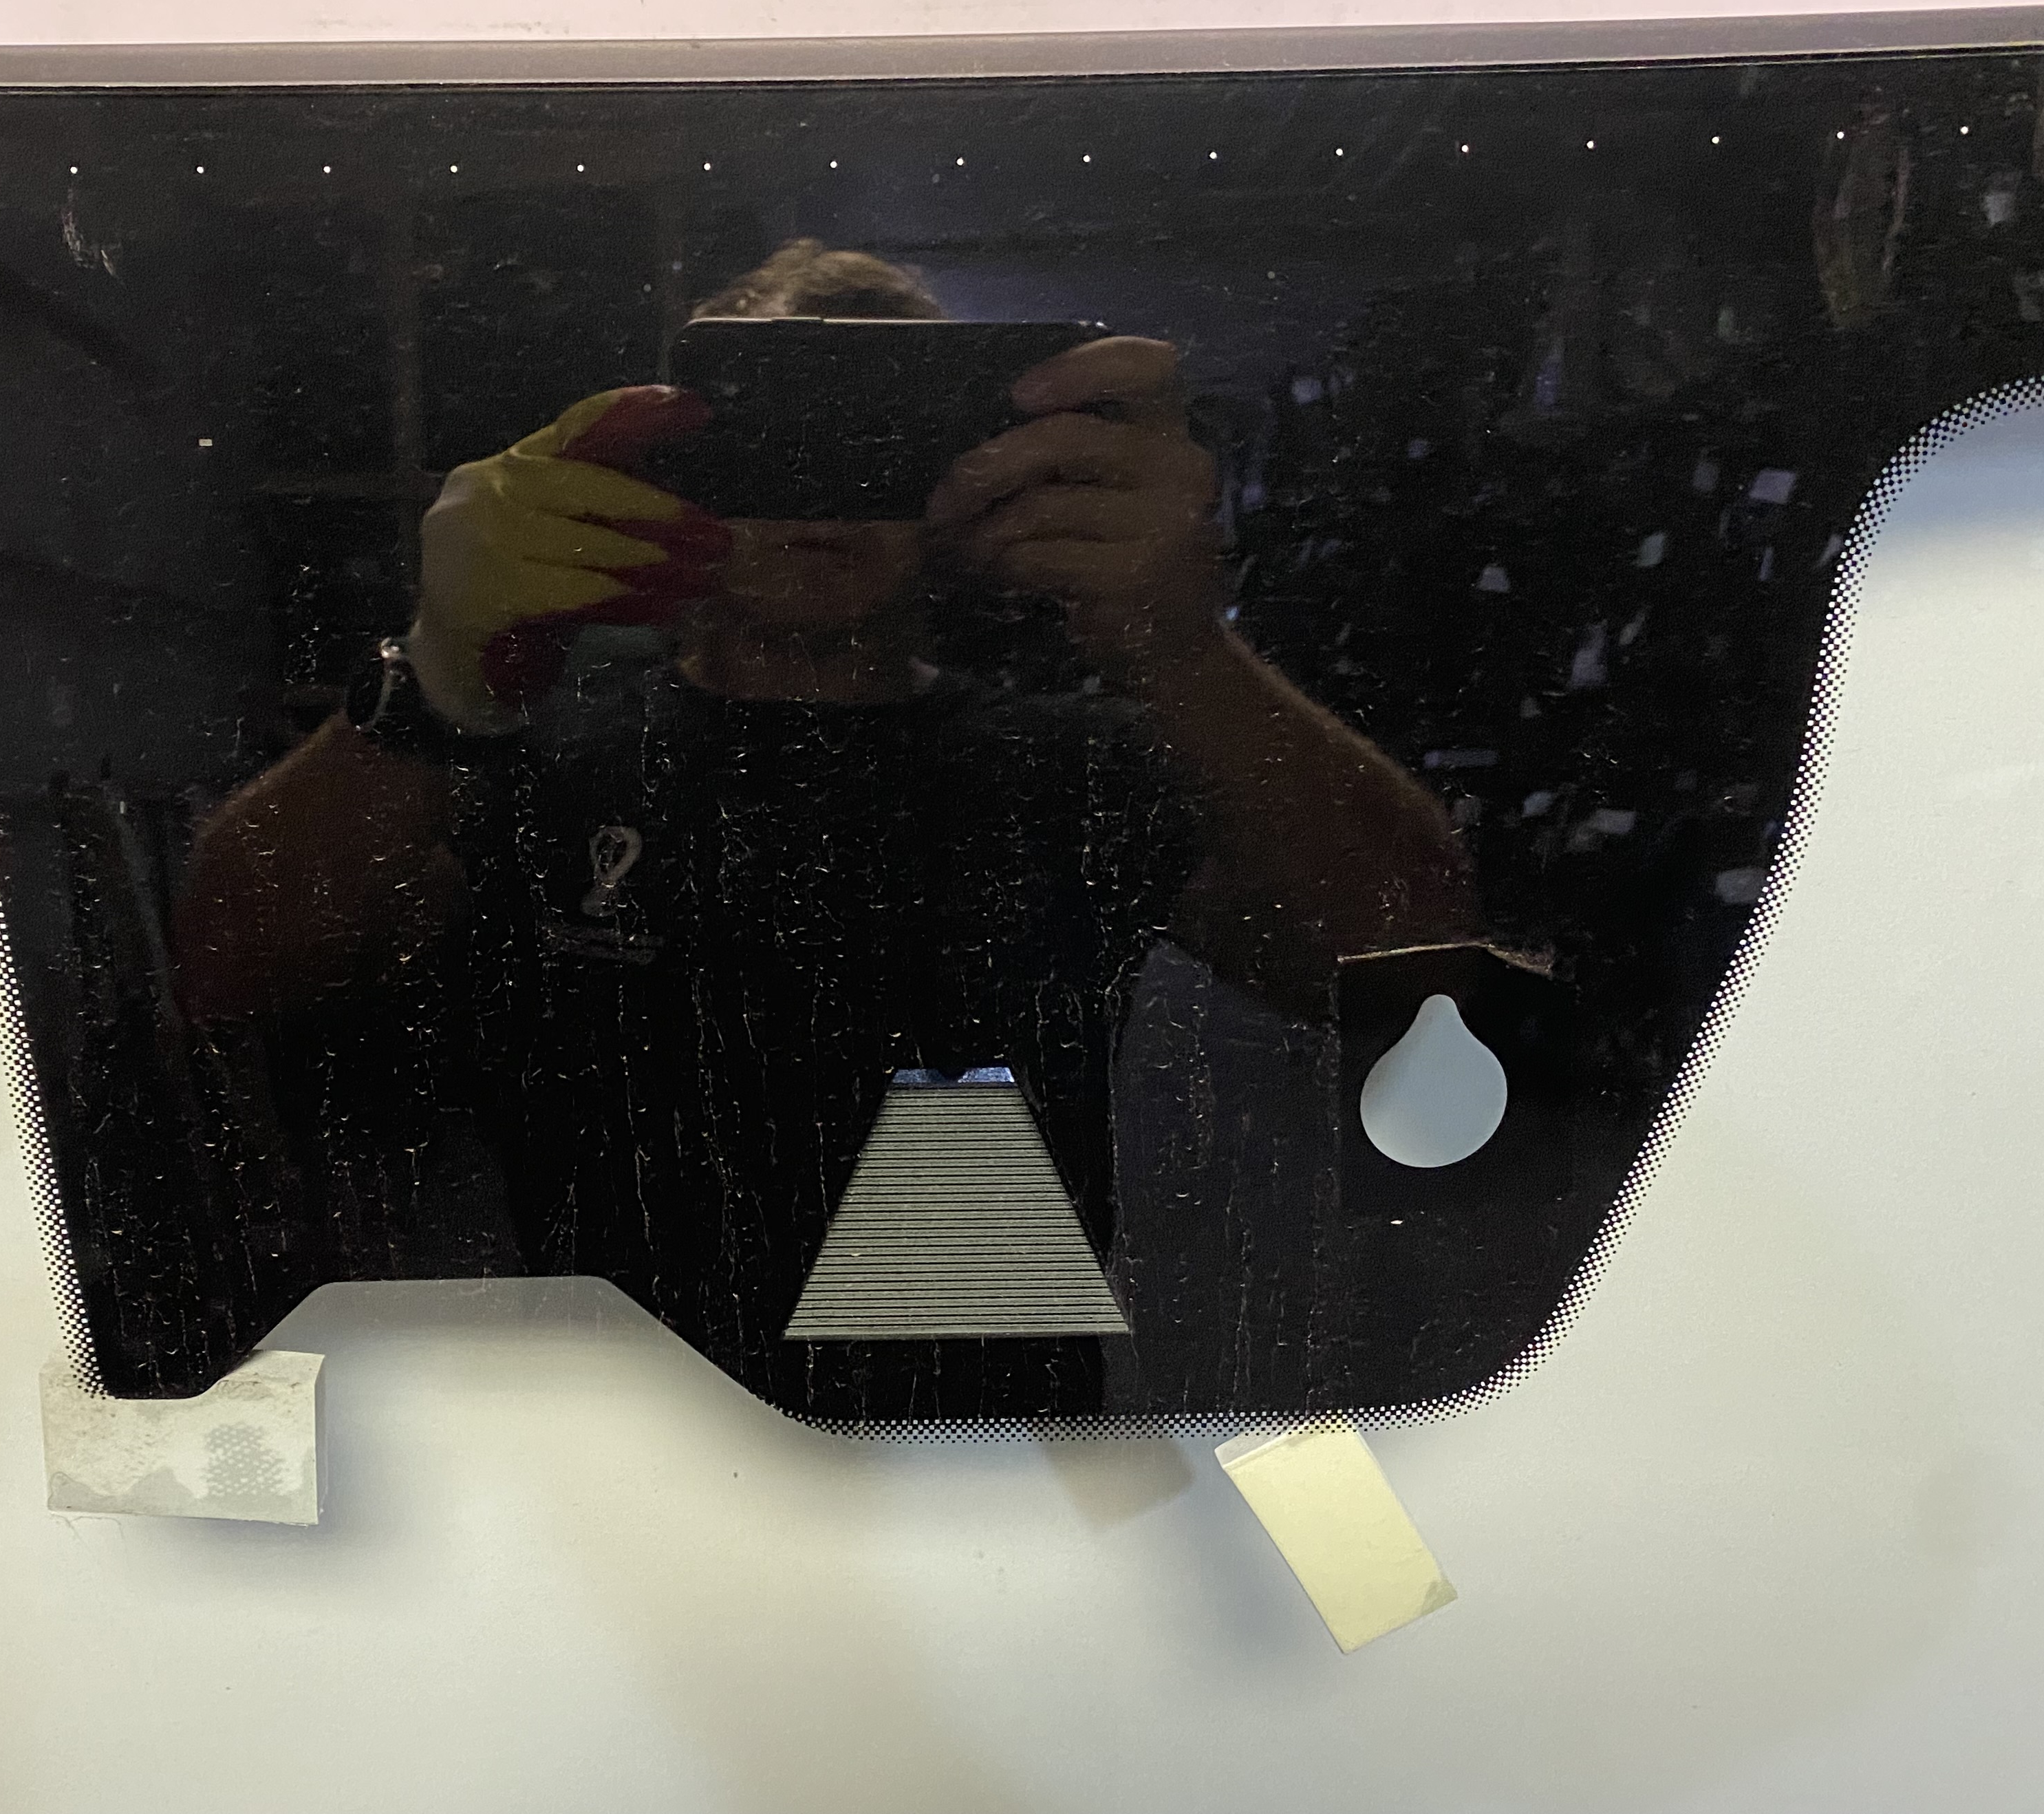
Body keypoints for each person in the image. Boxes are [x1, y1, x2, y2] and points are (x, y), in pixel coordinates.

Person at [175, 242, 1473, 1415]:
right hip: (627, 1435)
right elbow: (233, 968)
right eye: (772, 427)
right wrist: (438, 677)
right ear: (682, 461)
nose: (822, 488)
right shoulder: (545, 761)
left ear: (966, 468)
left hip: (978, 1434)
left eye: (881, 435)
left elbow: (1417, 974)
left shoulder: (1067, 762)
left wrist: (1179, 644)